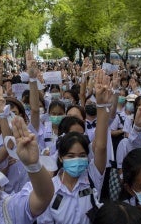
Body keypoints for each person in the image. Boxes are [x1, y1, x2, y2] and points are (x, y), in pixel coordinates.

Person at [37, 71, 110, 224]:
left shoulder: (92, 177)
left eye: (82, 155)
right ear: (61, 157)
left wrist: (101, 105)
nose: (77, 160)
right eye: (70, 156)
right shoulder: (50, 188)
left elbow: (101, 146)